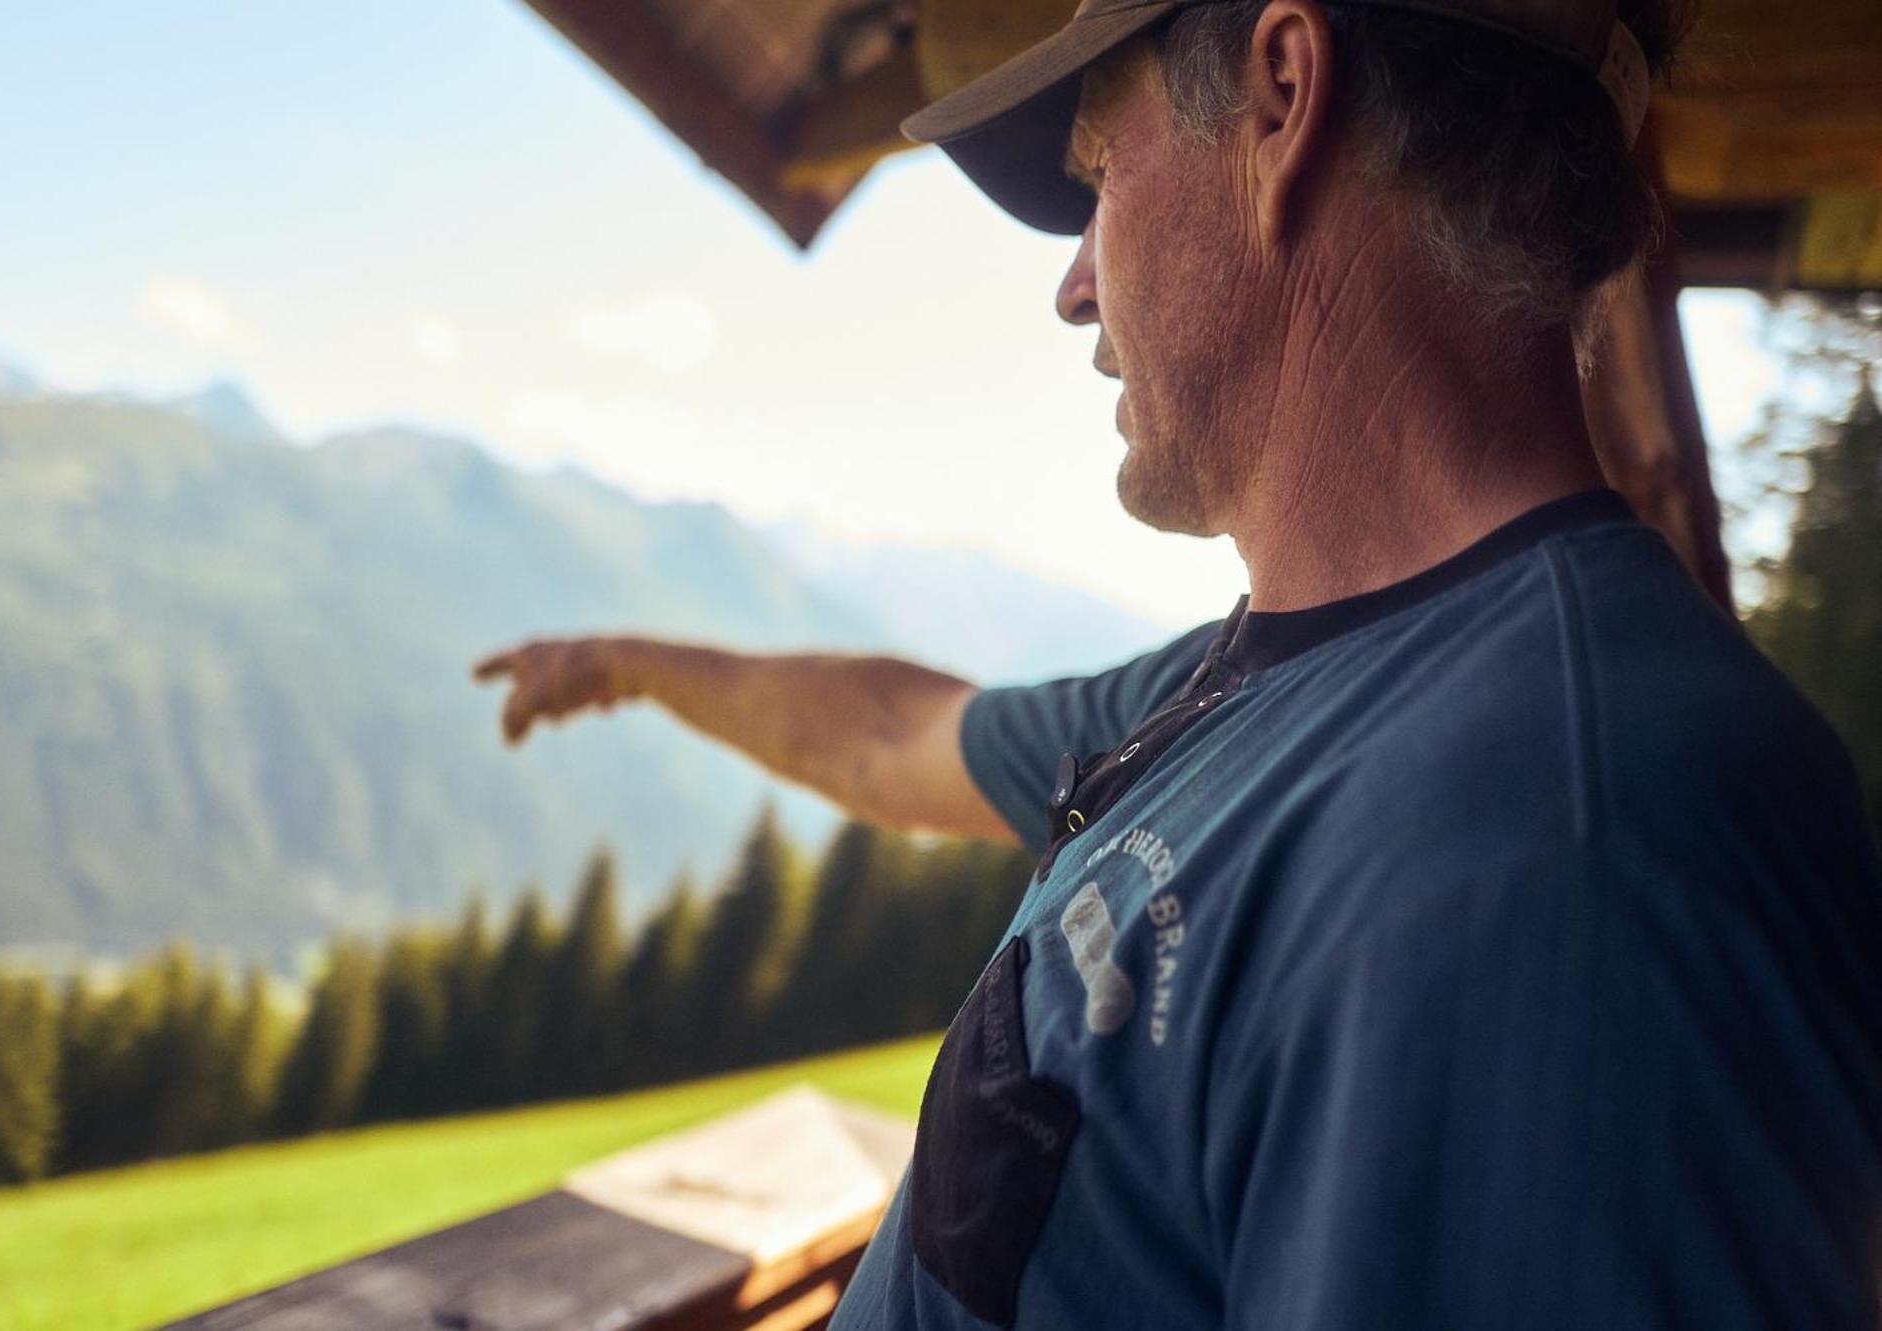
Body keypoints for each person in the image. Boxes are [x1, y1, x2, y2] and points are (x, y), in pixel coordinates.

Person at [475, 0, 1882, 1325]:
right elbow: (900, 735)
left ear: (1282, 98)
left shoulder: (1557, 841)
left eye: (1097, 173)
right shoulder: (1281, 684)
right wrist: (632, 661)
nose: (1074, 289)